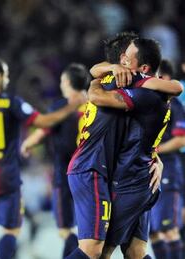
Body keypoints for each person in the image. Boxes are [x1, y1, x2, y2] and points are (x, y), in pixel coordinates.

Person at [0, 57, 86, 259]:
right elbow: (44, 121)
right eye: (7, 75)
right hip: (7, 177)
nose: (8, 79)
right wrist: (72, 107)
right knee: (11, 230)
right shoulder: (10, 103)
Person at [66, 35, 182, 259]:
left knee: (110, 251)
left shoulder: (134, 88)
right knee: (117, 251)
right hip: (105, 170)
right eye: (121, 57)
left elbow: (95, 90)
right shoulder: (122, 84)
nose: (123, 60)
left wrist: (96, 79)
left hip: (124, 177)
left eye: (126, 57)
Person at [20, 63, 90, 258]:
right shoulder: (96, 104)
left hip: (65, 175)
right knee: (89, 231)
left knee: (65, 229)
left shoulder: (60, 106)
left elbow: (44, 128)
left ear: (66, 82)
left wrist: (28, 143)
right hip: (91, 176)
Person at [150, 59, 185, 259]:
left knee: (169, 228)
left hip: (169, 170)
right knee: (153, 231)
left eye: (158, 76)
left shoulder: (175, 104)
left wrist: (154, 149)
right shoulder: (152, 103)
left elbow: (181, 139)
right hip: (150, 171)